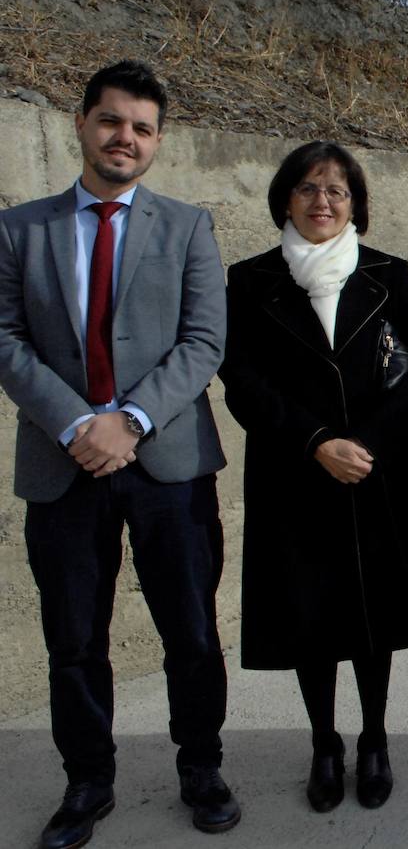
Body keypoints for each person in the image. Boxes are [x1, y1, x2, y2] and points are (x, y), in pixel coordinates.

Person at [0, 61, 240, 848]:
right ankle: (87, 780)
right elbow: (6, 338)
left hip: (168, 465)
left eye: (141, 128)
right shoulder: (19, 229)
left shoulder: (188, 226)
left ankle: (201, 766)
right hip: (62, 464)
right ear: (82, 123)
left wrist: (130, 420)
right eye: (111, 121)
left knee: (191, 631)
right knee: (73, 638)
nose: (124, 139)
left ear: (158, 140)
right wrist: (78, 423)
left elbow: (204, 340)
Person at [218, 140, 408, 812]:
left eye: (338, 191)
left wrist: (367, 441)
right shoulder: (252, 279)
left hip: (377, 469)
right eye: (309, 188)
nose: (323, 201)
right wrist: (317, 439)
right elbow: (241, 378)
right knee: (307, 611)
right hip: (293, 471)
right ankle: (324, 742)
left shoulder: (387, 273)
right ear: (285, 198)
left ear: (356, 204)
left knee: (373, 612)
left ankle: (374, 736)